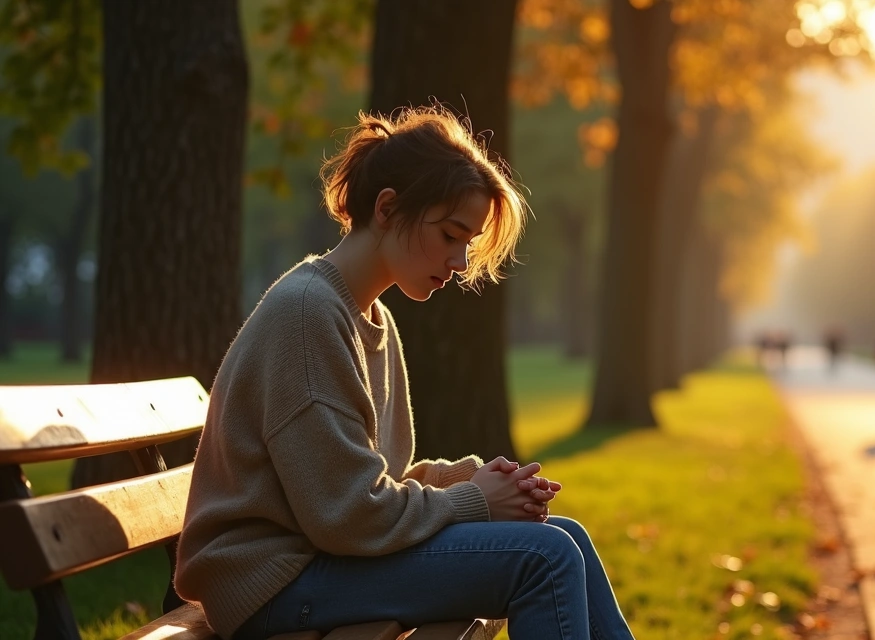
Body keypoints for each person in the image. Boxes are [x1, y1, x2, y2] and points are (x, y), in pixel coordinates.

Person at [174, 108, 635, 640]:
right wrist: (475, 501)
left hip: (319, 561)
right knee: (545, 558)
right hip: (274, 583)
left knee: (566, 536)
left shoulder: (370, 317)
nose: (461, 261)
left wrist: (470, 480)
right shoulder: (309, 314)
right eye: (450, 235)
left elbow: (366, 483)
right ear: (389, 208)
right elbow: (346, 515)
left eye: (468, 242)